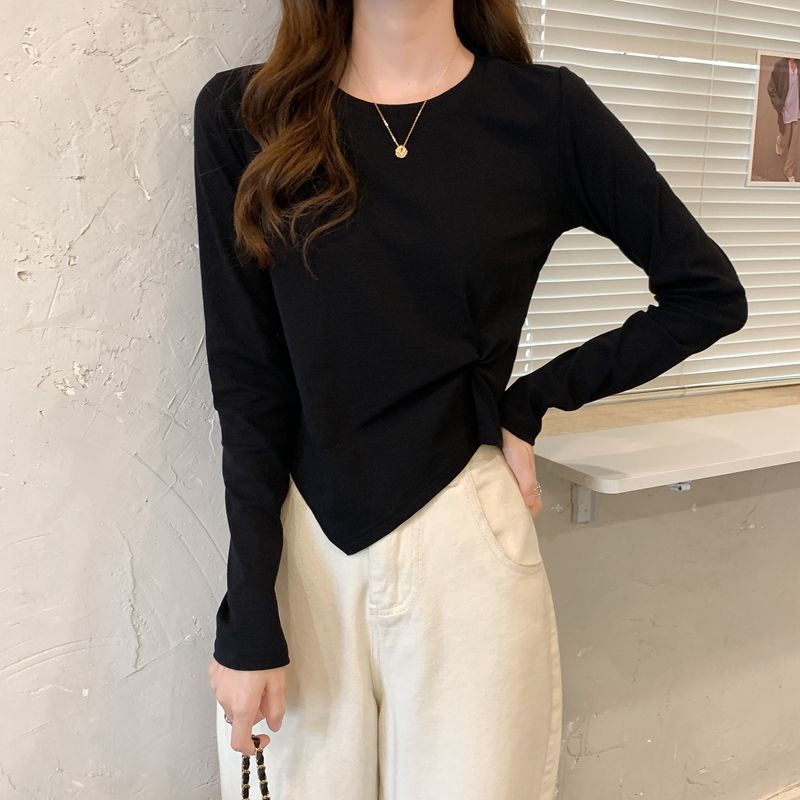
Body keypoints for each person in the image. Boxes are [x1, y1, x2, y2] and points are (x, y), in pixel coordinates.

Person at [192, 2, 749, 797]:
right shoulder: (247, 115)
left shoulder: (543, 114)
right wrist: (248, 609)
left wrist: (530, 402)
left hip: (466, 537)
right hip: (301, 547)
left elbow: (707, 294)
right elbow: (247, 380)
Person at [767, 56, 799, 181]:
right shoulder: (780, 65)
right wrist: (779, 104)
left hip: (797, 110)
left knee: (794, 142)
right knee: (786, 137)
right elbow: (771, 88)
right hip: (785, 109)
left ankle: (788, 171)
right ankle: (780, 140)